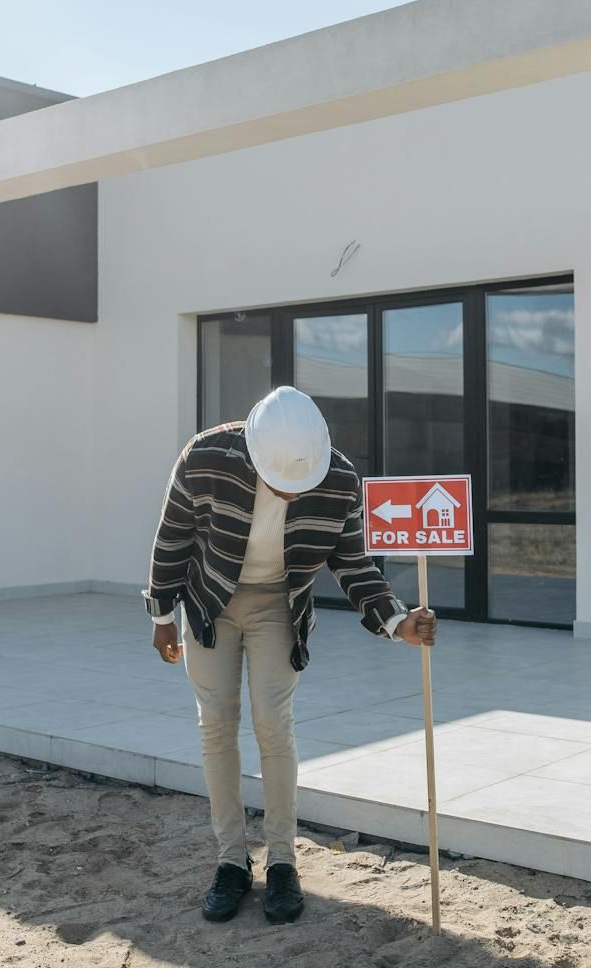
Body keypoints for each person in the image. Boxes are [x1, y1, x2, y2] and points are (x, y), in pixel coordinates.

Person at [144, 386, 436, 925]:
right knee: (216, 725)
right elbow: (173, 536)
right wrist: (162, 614)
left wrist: (396, 621)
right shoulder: (205, 456)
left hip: (279, 601)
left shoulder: (341, 480)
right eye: (281, 485)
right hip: (209, 598)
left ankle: (282, 862)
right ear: (254, 455)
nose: (291, 495)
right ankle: (231, 861)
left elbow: (353, 563)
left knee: (273, 724)